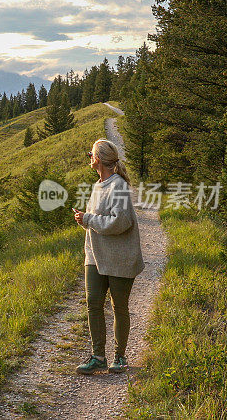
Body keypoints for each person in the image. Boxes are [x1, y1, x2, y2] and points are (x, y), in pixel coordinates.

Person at [72, 138, 144, 374]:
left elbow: (120, 222)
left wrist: (89, 219)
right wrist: (84, 220)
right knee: (93, 304)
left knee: (119, 307)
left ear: (99, 159)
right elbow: (97, 220)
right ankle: (98, 356)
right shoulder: (97, 185)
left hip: (120, 257)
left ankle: (120, 357)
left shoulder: (119, 186)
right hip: (94, 254)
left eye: (91, 154)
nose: (89, 158)